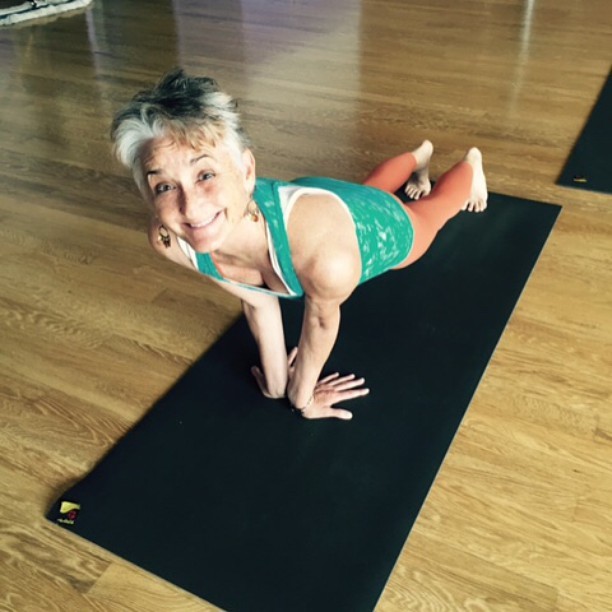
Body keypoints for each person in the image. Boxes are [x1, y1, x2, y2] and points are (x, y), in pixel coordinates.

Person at [111, 68, 488, 421]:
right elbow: (257, 299)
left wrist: (302, 398)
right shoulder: (169, 240)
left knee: (430, 212)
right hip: (311, 201)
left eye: (205, 174)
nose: (190, 208)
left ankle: (471, 164)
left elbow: (320, 320)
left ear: (246, 171)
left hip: (357, 226)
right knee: (365, 190)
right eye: (164, 186)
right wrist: (277, 384)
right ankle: (420, 156)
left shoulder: (328, 259)